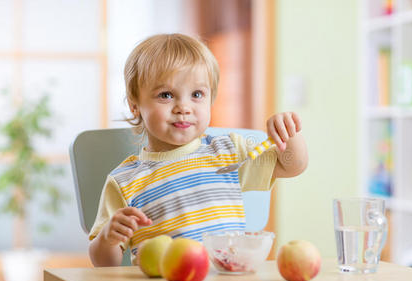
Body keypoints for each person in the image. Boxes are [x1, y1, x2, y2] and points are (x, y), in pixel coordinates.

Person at [88, 33, 308, 267]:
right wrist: (108, 239)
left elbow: (292, 166)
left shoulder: (227, 152)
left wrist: (289, 133)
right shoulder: (124, 180)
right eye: (166, 95)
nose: (183, 107)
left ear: (210, 99)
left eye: (197, 95)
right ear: (135, 106)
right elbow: (103, 264)